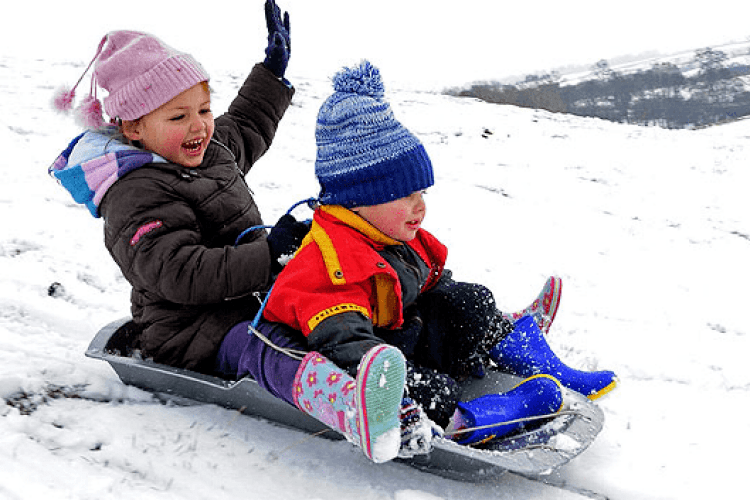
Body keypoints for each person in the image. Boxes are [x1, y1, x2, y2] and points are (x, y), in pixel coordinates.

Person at [48, 2, 420, 465]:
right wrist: (267, 255)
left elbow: (245, 123)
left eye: (203, 108)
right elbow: (178, 271)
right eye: (178, 116)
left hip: (252, 297)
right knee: (268, 348)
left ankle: (379, 368)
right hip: (192, 330)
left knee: (324, 299)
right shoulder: (133, 193)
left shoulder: (209, 149)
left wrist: (271, 71)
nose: (199, 124)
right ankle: (350, 408)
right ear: (134, 126)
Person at [259, 61, 618, 449]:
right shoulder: (326, 264)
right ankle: (467, 422)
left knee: (467, 299)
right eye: (406, 195)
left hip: (399, 333)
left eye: (422, 195)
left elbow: (435, 286)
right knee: (401, 379)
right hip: (367, 355)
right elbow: (348, 349)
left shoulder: (393, 234)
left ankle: (534, 359)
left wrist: (471, 327)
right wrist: (404, 377)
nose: (420, 207)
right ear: (357, 198)